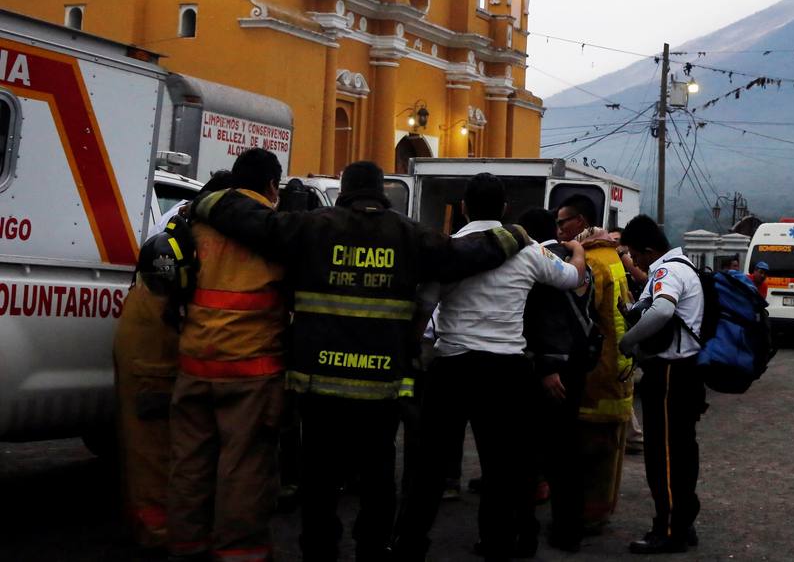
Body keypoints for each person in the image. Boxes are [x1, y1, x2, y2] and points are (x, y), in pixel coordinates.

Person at [194, 160, 525, 562]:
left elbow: (259, 224)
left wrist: (208, 201)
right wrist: (514, 236)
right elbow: (461, 254)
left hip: (320, 385)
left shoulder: (312, 227)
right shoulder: (408, 235)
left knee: (319, 477)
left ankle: (319, 550)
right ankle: (372, 548)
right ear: (381, 193)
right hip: (380, 389)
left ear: (345, 190)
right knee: (378, 476)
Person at [395, 173, 587, 562]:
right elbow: (571, 279)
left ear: (464, 207)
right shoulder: (530, 251)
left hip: (451, 367)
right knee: (503, 467)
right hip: (505, 371)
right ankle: (497, 543)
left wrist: (412, 355)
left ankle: (409, 543)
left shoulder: (449, 250)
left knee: (428, 466)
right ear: (504, 209)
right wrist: (578, 253)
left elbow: (423, 308)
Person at [166, 149, 287, 562]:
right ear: (273, 186)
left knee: (190, 460)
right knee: (244, 465)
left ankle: (186, 544)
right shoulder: (276, 230)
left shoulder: (196, 223)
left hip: (195, 360)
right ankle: (240, 551)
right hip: (251, 367)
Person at [114, 171, 230, 552]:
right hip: (154, 343)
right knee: (152, 447)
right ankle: (157, 536)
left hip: (149, 331)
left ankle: (155, 529)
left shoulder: (180, 221)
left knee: (154, 444)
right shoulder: (200, 232)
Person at [619, 215, 706, 555]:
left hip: (670, 373)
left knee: (664, 455)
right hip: (687, 371)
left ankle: (668, 530)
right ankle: (683, 523)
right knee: (683, 452)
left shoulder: (667, 271)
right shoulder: (686, 267)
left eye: (635, 254)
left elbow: (662, 312)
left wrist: (629, 342)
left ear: (650, 249)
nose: (635, 262)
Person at [556, 196, 638, 533]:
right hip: (618, 365)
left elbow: (583, 319)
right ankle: (601, 509)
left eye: (563, 222)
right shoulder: (612, 257)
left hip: (598, 371)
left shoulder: (591, 262)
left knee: (592, 448)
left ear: (580, 221)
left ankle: (589, 515)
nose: (558, 229)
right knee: (610, 448)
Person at [518, 207, 596, 552]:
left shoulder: (538, 261)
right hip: (578, 364)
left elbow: (544, 316)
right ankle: (570, 528)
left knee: (536, 450)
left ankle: (531, 531)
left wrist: (547, 366)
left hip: (551, 368)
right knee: (567, 450)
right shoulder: (579, 260)